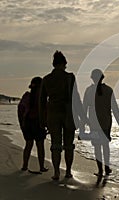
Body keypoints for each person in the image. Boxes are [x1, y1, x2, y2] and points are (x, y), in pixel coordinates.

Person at [39, 50, 87, 180]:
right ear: (64, 64)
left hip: (52, 113)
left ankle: (56, 172)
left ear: (53, 64)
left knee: (55, 145)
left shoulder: (46, 79)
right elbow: (75, 98)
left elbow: (42, 102)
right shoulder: (70, 77)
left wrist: (42, 120)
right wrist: (82, 117)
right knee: (68, 145)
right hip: (68, 113)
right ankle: (68, 171)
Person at [83, 69, 119, 184]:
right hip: (106, 122)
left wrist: (83, 123)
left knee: (97, 146)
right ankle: (106, 167)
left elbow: (84, 108)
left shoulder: (89, 90)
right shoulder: (108, 90)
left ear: (92, 78)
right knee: (105, 145)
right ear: (102, 78)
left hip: (93, 123)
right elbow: (115, 108)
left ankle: (100, 170)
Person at [18, 77, 48, 172]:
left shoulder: (26, 96)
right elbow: (46, 111)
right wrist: (48, 124)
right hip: (38, 123)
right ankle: (41, 167)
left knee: (28, 145)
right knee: (40, 146)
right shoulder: (41, 98)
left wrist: (22, 124)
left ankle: (25, 166)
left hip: (27, 123)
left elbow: (20, 111)